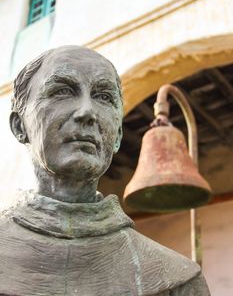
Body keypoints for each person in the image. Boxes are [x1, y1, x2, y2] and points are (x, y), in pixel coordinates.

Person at [0, 46, 211, 295]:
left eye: (103, 97)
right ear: (19, 126)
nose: (87, 112)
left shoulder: (178, 282)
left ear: (117, 137)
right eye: (62, 92)